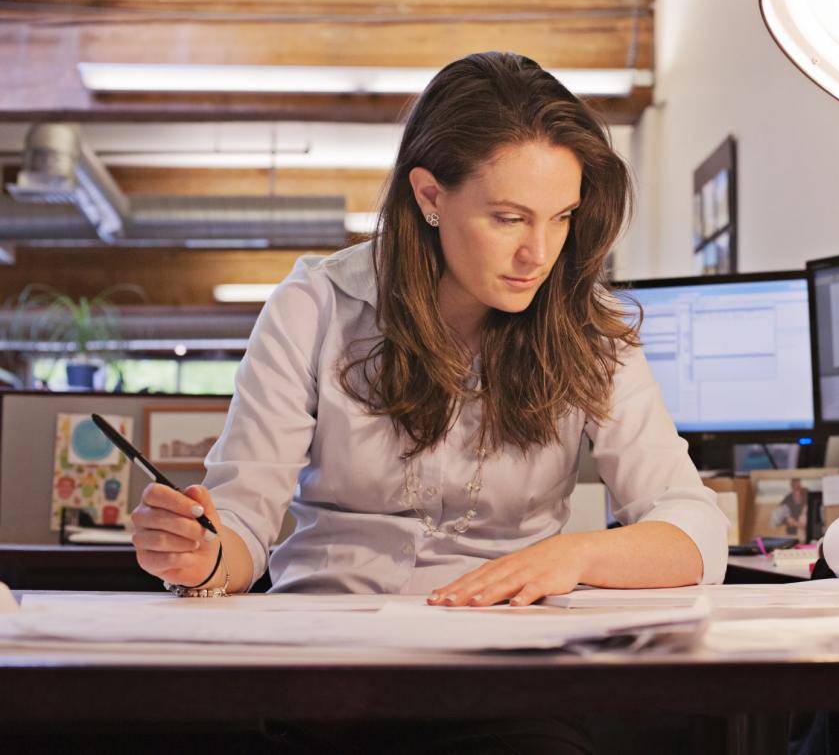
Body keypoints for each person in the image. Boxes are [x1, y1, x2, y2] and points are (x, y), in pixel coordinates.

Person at [127, 52, 728, 752]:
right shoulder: (314, 308)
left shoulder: (587, 329)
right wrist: (200, 557)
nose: (539, 253)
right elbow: (241, 530)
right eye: (509, 218)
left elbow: (694, 527)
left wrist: (573, 555)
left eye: (561, 217)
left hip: (509, 681)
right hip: (332, 674)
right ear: (429, 195)